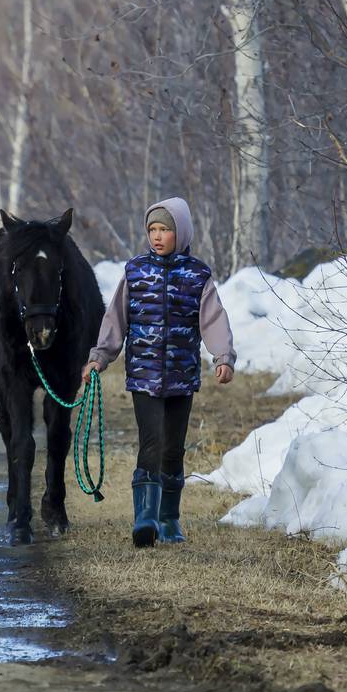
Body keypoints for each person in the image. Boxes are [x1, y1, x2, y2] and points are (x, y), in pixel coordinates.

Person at [81, 198, 236, 548]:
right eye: (152, 229)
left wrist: (222, 356)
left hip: (181, 378)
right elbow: (115, 319)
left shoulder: (198, 276)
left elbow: (213, 320)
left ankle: (169, 518)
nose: (157, 236)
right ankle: (145, 518)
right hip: (144, 375)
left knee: (173, 449)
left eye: (164, 229)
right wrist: (99, 357)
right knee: (151, 442)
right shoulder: (135, 271)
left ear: (179, 232)